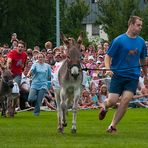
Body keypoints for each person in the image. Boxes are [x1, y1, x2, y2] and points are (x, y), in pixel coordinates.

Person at [98, 16, 148, 133]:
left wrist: (146, 76)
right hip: (118, 75)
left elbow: (143, 61)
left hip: (132, 76)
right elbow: (108, 56)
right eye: (138, 25)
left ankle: (112, 126)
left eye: (141, 25)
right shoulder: (119, 40)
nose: (140, 27)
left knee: (126, 100)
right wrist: (108, 68)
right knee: (113, 101)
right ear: (131, 24)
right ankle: (105, 106)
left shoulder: (141, 42)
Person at [7, 40, 27, 115]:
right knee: (9, 91)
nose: (20, 48)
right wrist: (8, 70)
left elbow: (24, 64)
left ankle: (13, 107)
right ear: (16, 47)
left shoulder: (24, 55)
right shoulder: (12, 53)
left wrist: (23, 69)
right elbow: (9, 61)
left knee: (15, 91)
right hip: (10, 74)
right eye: (19, 46)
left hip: (18, 74)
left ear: (24, 48)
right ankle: (9, 108)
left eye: (21, 47)